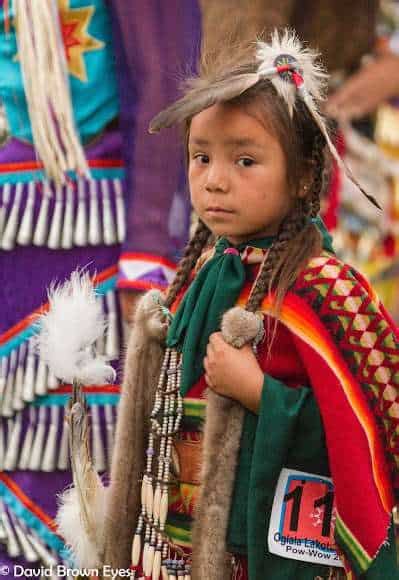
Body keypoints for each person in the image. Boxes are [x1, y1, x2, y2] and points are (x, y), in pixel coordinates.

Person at [59, 31, 399, 580]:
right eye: (200, 157)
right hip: (180, 546)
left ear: (305, 174)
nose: (215, 181)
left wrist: (262, 394)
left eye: (245, 160)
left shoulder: (327, 290)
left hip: (270, 553)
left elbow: (371, 429)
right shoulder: (203, 274)